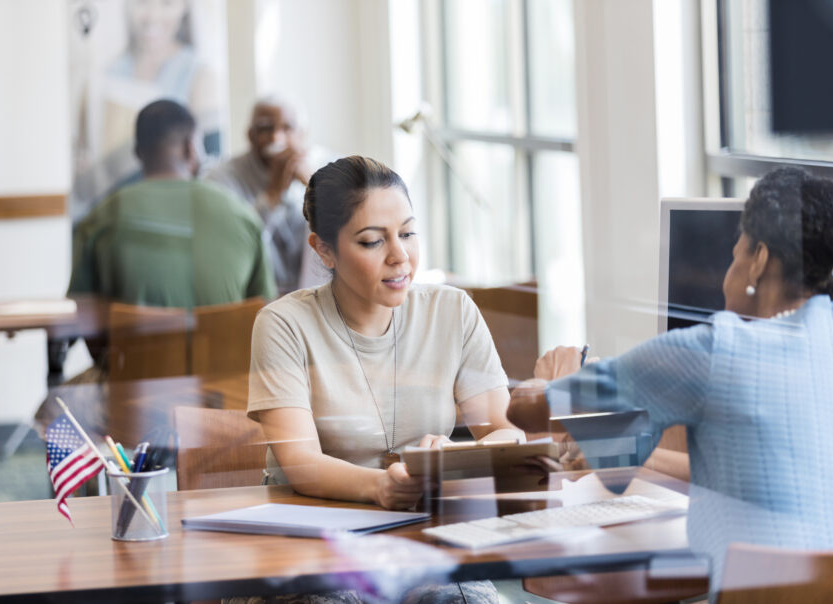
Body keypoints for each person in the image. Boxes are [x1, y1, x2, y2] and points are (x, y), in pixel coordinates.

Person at [507, 167, 833, 596]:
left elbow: (521, 408)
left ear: (759, 260)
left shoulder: (712, 349)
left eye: (735, 252)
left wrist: (562, 378)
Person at [243, 156, 522, 604]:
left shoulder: (452, 311)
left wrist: (456, 458)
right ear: (323, 249)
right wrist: (381, 486)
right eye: (373, 241)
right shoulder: (283, 324)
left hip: (422, 545)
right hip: (310, 551)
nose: (400, 256)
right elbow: (300, 465)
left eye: (408, 233)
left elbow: (507, 432)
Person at [69, 99, 276, 310]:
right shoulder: (244, 217)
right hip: (225, 343)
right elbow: (266, 311)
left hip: (134, 343)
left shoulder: (101, 217)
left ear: (139, 152)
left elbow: (78, 313)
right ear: (190, 148)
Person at [71, 0, 222, 223]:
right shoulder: (104, 78)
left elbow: (210, 165)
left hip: (170, 216)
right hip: (110, 217)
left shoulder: (199, 76)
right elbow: (82, 163)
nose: (152, 15)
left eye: (166, 3)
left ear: (185, 7)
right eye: (142, 2)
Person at [207, 96, 327, 294]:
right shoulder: (221, 179)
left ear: (303, 134)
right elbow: (230, 247)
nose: (276, 139)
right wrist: (273, 194)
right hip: (252, 298)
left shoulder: (325, 167)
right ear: (250, 135)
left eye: (287, 128)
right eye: (265, 129)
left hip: (314, 297)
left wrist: (316, 187)